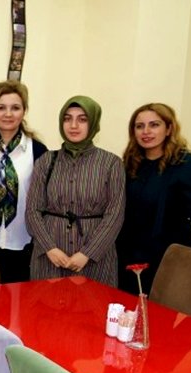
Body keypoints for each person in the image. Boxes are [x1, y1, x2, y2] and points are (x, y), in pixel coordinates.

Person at [117, 103, 191, 294]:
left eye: (154, 125)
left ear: (169, 129)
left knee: (162, 307)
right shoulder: (130, 163)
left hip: (168, 254)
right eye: (139, 126)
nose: (146, 131)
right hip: (130, 253)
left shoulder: (186, 164)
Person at [26, 95, 125, 286]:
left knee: (92, 304)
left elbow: (115, 215)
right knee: (48, 304)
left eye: (82, 119)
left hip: (95, 260)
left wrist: (87, 253)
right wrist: (50, 248)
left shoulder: (111, 164)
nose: (73, 125)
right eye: (67, 118)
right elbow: (32, 210)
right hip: (50, 258)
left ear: (93, 123)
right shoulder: (46, 161)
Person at [0, 80, 49, 284]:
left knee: (16, 300)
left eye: (15, 108)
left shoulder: (38, 151)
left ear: (24, 111)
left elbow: (42, 199)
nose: (8, 114)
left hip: (22, 242)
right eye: (1, 108)